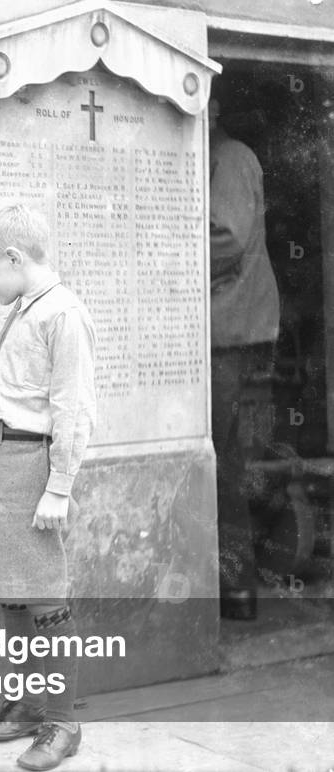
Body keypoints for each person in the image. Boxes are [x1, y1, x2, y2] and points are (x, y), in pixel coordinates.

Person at [0, 202, 96, 771]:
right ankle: (29, 705)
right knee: (10, 590)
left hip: (30, 467)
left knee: (44, 595)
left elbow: (72, 411)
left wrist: (59, 486)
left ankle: (62, 722)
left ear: (13, 257)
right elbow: (15, 396)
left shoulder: (62, 315)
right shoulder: (26, 307)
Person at [209, 98, 281, 620]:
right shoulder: (223, 156)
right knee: (228, 463)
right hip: (232, 329)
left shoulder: (229, 157)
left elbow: (226, 235)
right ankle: (235, 591)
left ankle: (236, 592)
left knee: (224, 464)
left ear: (213, 112)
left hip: (231, 330)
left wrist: (163, 250)